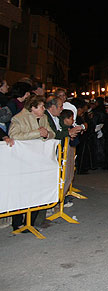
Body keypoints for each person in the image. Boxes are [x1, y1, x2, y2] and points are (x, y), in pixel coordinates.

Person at [8, 95, 55, 231]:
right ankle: (18, 223)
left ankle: (32, 222)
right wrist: (37, 133)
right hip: (23, 162)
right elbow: (14, 135)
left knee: (37, 191)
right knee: (22, 192)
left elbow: (51, 133)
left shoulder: (44, 118)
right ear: (33, 107)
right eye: (41, 106)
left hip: (39, 161)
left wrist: (47, 135)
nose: (44, 109)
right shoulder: (18, 118)